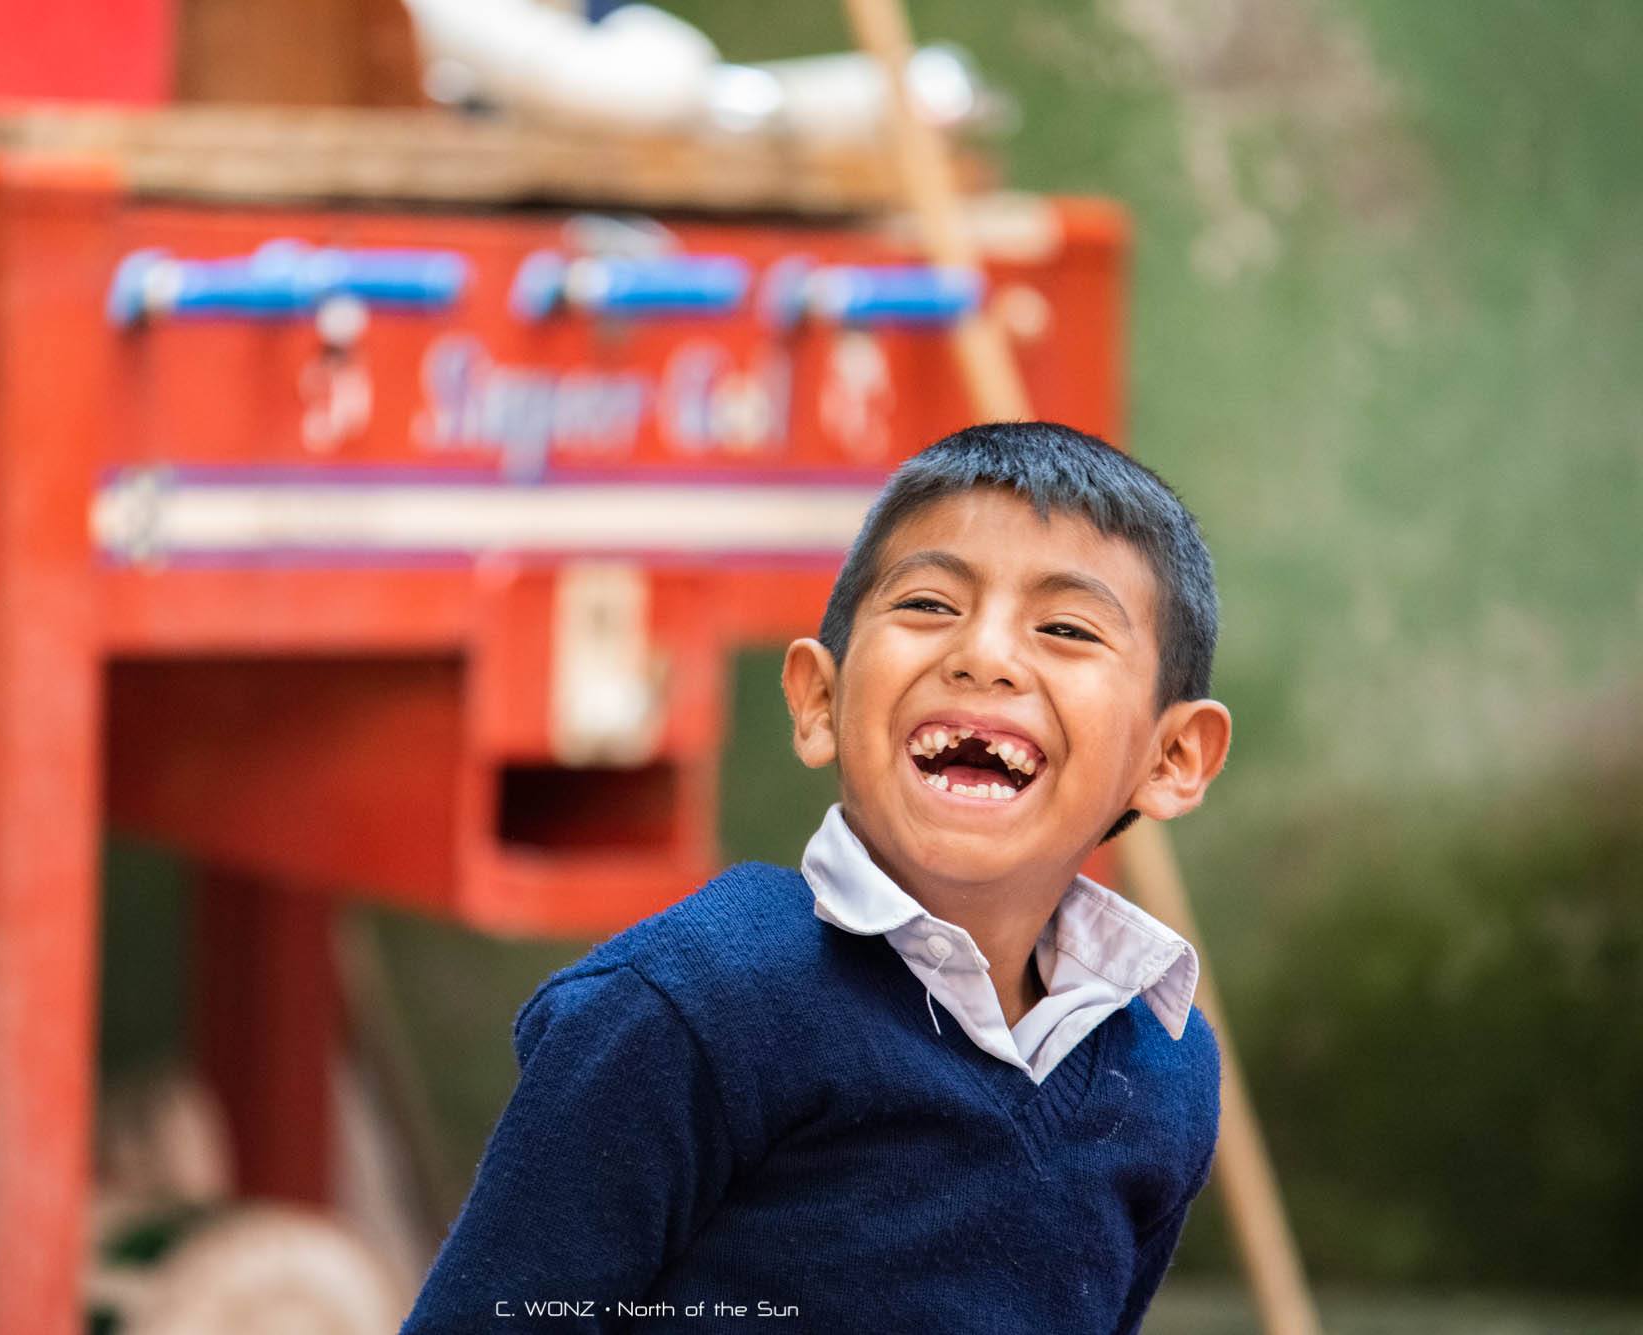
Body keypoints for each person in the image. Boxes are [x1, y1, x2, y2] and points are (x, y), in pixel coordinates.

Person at [401, 421, 1234, 1332]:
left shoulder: (1160, 1067)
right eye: (926, 605)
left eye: (1067, 627)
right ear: (818, 702)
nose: (984, 655)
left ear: (1174, 757)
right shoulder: (689, 1007)